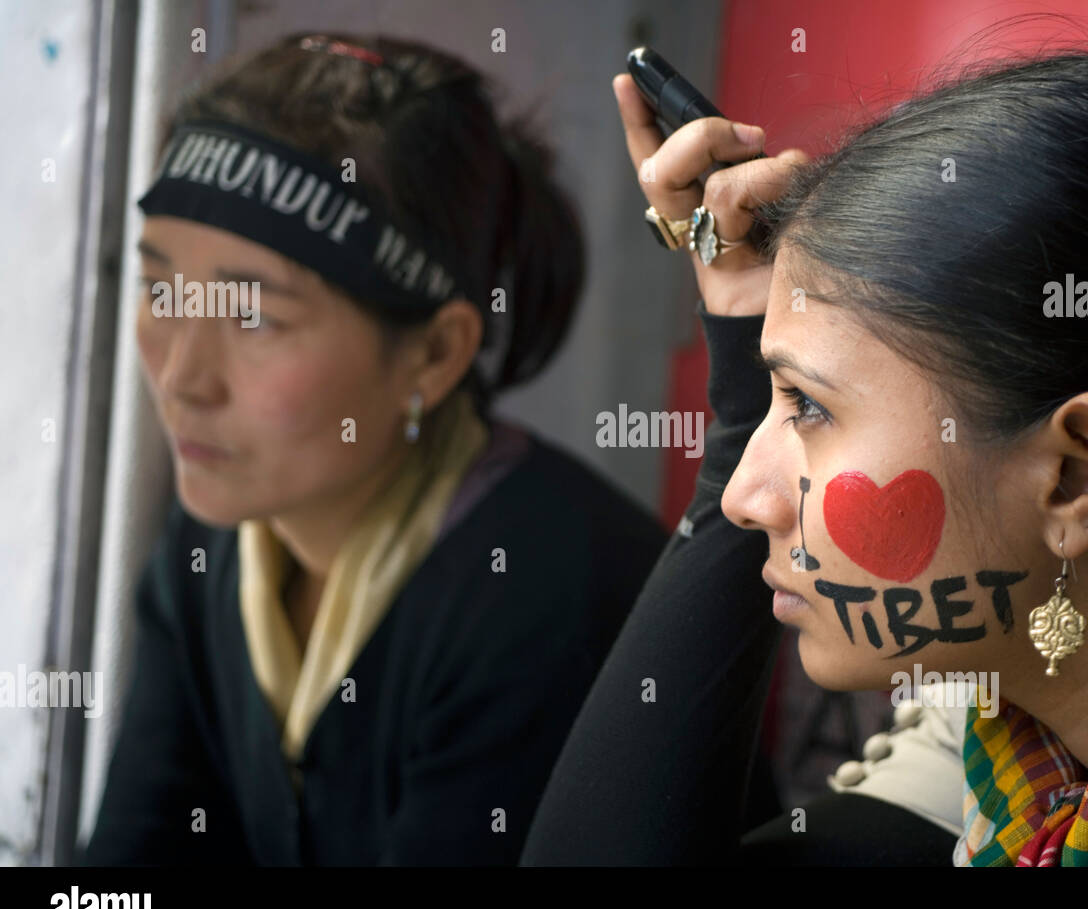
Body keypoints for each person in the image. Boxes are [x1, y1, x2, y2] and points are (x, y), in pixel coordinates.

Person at [521, 48, 1088, 866]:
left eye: (810, 409)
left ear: (1078, 475)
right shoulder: (1007, 739)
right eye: (775, 403)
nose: (746, 499)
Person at [81, 33, 666, 865]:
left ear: (432, 354)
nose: (180, 376)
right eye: (160, 288)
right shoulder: (211, 547)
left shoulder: (551, 601)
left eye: (254, 315)